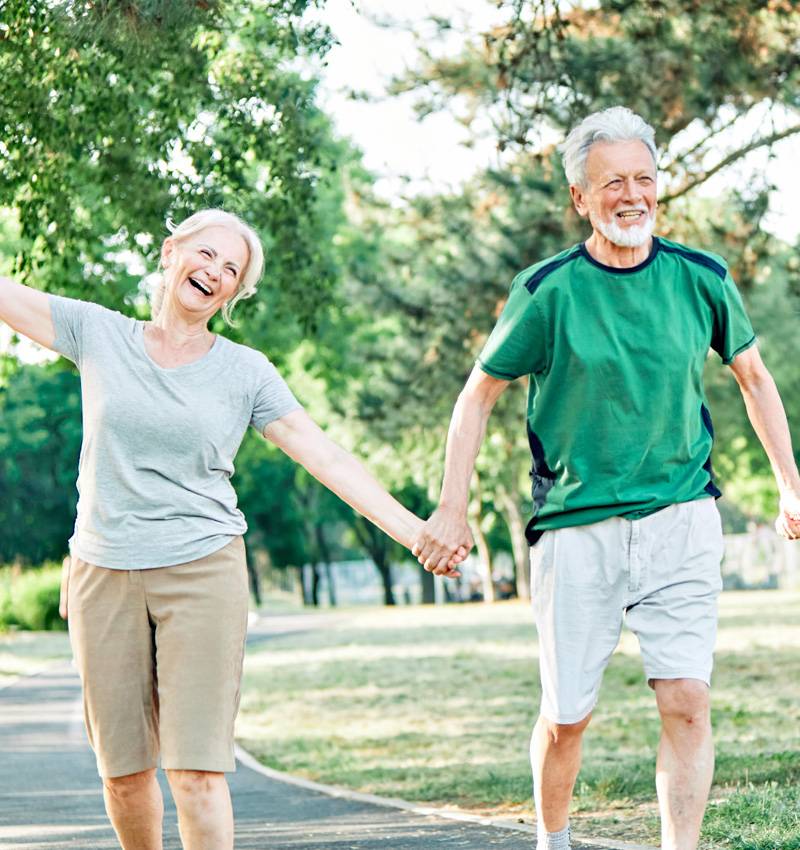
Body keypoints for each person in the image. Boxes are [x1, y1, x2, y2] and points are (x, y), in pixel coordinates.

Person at [0, 208, 463, 850]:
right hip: (102, 571)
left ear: (234, 292)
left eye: (231, 270)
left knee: (195, 772)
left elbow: (324, 456)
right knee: (124, 775)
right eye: (207, 255)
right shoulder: (95, 332)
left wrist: (414, 533)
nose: (215, 272)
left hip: (202, 569)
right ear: (171, 253)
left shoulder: (246, 372)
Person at [411, 107, 800, 850]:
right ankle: (552, 841)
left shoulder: (701, 278)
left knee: (687, 701)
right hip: (576, 527)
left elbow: (754, 377)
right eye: (612, 182)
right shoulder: (547, 289)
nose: (633, 195)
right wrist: (451, 507)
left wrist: (790, 485)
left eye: (645, 178)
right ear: (580, 200)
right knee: (565, 716)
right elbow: (478, 394)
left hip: (681, 518)